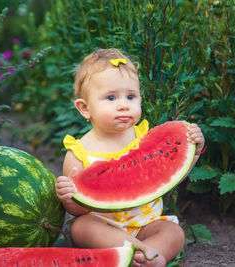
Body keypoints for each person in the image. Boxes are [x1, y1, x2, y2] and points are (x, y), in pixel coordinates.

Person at [55, 48, 205, 267]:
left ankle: (144, 255)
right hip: (104, 228)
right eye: (111, 97)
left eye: (131, 96)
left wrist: (194, 152)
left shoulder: (145, 139)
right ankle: (144, 253)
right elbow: (79, 209)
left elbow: (168, 179)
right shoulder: (78, 153)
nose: (124, 104)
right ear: (85, 108)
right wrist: (68, 196)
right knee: (81, 227)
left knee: (174, 232)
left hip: (147, 225)